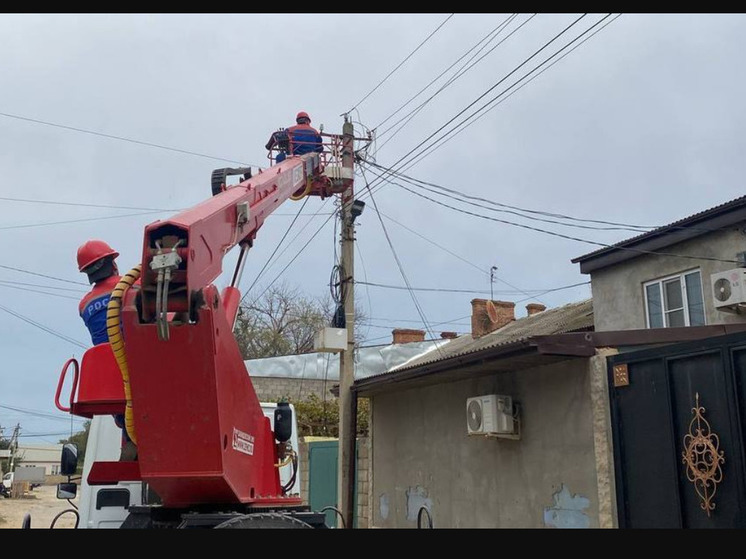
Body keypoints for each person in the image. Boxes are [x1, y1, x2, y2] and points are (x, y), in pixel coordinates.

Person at [76, 240, 136, 461]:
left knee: (124, 405)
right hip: (139, 366)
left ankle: (130, 438)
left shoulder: (84, 305)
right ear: (112, 263)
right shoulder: (132, 284)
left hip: (108, 378)